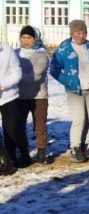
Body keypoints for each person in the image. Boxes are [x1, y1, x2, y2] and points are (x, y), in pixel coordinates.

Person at [49, 19, 89, 162]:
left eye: (84, 33)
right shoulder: (64, 49)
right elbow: (54, 69)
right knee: (79, 119)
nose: (81, 36)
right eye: (78, 33)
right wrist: (67, 81)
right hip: (74, 89)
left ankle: (83, 145)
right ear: (72, 33)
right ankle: (75, 148)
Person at [16, 26, 50, 163]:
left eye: (29, 38)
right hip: (19, 96)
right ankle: (24, 153)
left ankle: (41, 152)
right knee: (20, 126)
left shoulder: (41, 54)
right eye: (23, 37)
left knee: (39, 126)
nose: (26, 40)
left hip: (39, 96)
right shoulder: (15, 53)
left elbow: (36, 75)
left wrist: (14, 76)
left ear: (35, 39)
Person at [0, 39, 23, 171]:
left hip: (8, 96)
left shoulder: (7, 51)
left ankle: (11, 158)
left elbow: (17, 73)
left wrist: (3, 84)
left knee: (10, 129)